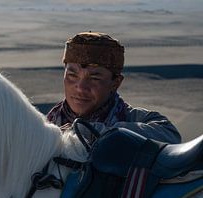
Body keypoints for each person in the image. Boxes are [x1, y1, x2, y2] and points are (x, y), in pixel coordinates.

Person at [47, 32, 181, 144]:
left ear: (115, 83)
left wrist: (94, 131)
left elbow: (171, 136)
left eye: (94, 78)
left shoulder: (133, 118)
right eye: (72, 75)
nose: (81, 88)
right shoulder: (48, 126)